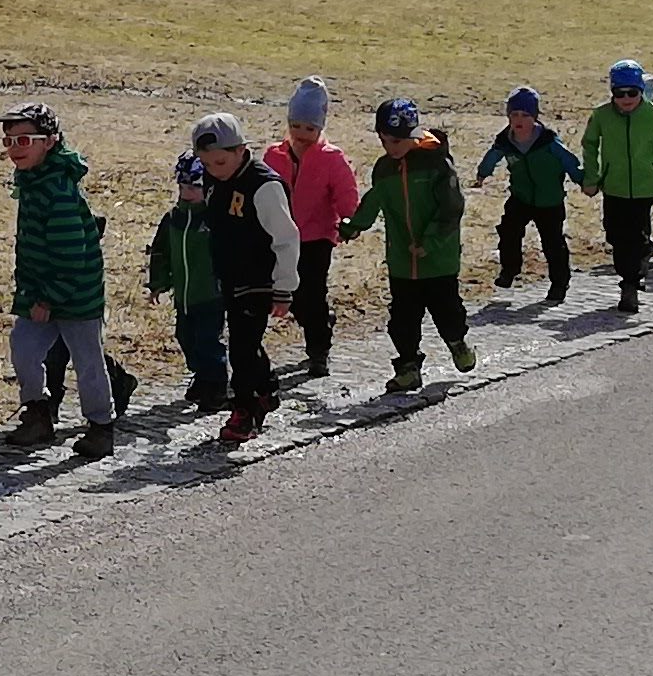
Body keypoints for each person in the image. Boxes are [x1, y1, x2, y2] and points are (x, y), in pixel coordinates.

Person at [0, 103, 121, 460]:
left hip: (76, 296)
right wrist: (32, 293)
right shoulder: (32, 182)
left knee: (88, 362)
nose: (14, 149)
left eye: (23, 140)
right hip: (39, 292)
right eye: (8, 141)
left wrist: (49, 299)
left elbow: (71, 255)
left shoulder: (59, 192)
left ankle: (101, 426)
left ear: (49, 142)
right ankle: (37, 412)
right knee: (24, 348)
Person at [344, 95, 476, 392]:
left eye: (397, 141)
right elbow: (374, 201)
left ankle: (457, 342)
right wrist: (353, 227)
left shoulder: (437, 164)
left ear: (414, 135)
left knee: (447, 311)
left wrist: (430, 241)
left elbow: (451, 207)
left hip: (438, 260)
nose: (391, 148)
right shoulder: (383, 169)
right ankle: (408, 367)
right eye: (385, 141)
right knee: (403, 319)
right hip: (402, 261)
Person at [191, 112, 300, 449]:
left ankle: (245, 410)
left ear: (241, 150)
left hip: (259, 279)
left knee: (241, 346)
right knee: (245, 340)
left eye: (220, 162)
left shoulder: (264, 186)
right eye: (206, 164)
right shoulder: (213, 180)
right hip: (229, 273)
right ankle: (265, 388)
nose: (214, 170)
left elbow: (286, 239)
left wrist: (284, 287)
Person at [266, 80, 361, 383]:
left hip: (317, 237)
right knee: (290, 293)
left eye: (309, 128)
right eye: (295, 126)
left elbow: (346, 193)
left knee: (313, 293)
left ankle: (318, 351)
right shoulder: (274, 156)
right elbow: (262, 191)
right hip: (282, 237)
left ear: (320, 127)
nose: (301, 134)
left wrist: (349, 220)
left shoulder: (331, 158)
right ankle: (318, 323)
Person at [578, 60, 653, 316]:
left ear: (641, 91)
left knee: (635, 235)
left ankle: (630, 284)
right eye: (619, 93)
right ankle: (642, 254)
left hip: (645, 186)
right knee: (615, 234)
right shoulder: (601, 115)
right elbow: (589, 145)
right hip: (613, 185)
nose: (626, 99)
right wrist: (591, 177)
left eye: (632, 93)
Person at [476, 88, 579, 304]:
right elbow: (492, 156)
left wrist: (582, 179)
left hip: (549, 200)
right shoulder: (505, 141)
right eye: (514, 115)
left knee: (553, 243)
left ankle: (559, 283)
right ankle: (509, 269)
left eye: (525, 115)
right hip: (521, 197)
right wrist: (483, 173)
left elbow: (569, 160)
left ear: (535, 117)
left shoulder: (548, 141)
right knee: (508, 231)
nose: (519, 120)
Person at [144, 153, 229, 407]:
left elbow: (230, 252)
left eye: (194, 188)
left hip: (211, 294)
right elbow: (161, 251)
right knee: (185, 338)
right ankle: (201, 375)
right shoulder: (173, 218)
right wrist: (158, 282)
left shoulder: (215, 219)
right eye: (182, 187)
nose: (187, 193)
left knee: (208, 342)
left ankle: (217, 386)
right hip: (184, 296)